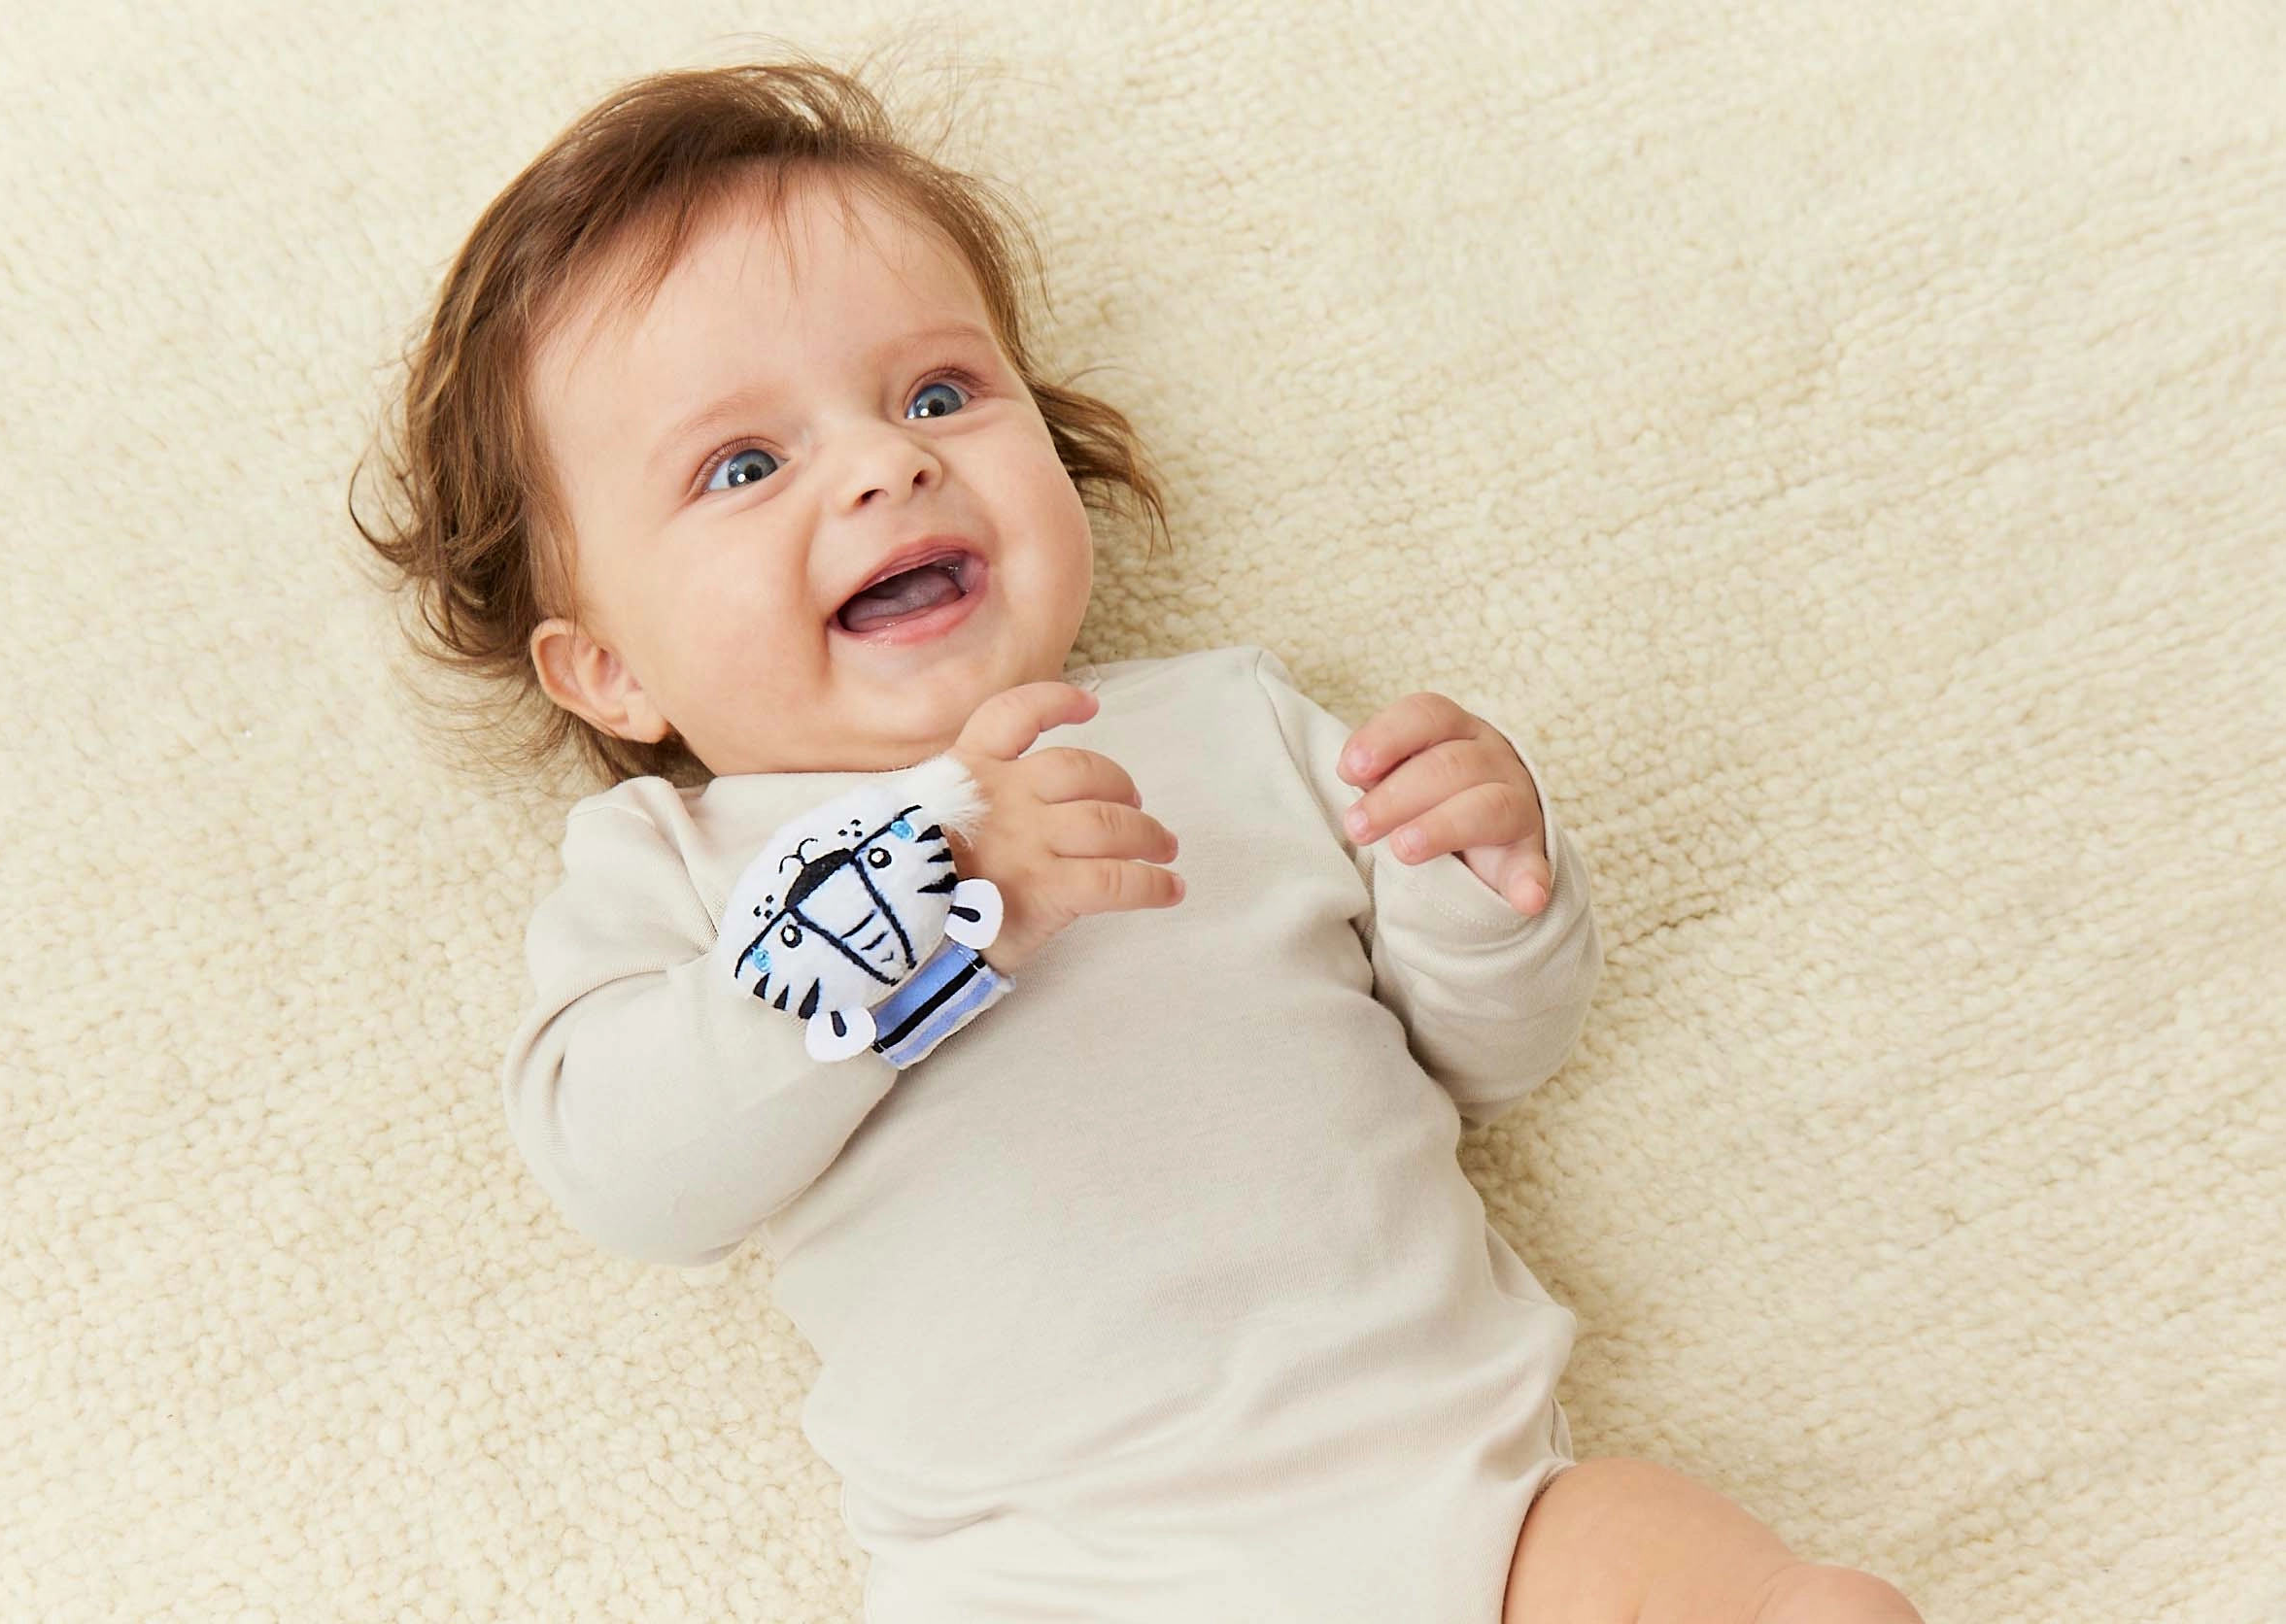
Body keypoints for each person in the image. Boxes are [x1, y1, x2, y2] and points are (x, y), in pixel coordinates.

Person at [351, 51, 1927, 1624]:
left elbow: (1484, 1060)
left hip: (1463, 1503)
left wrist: (1475, 880)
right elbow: (633, 1179)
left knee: (1803, 1604)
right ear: (607, 671)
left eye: (938, 395)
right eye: (744, 466)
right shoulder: (681, 867)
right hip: (1048, 1572)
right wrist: (924, 891)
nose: (890, 463)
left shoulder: (1235, 724)